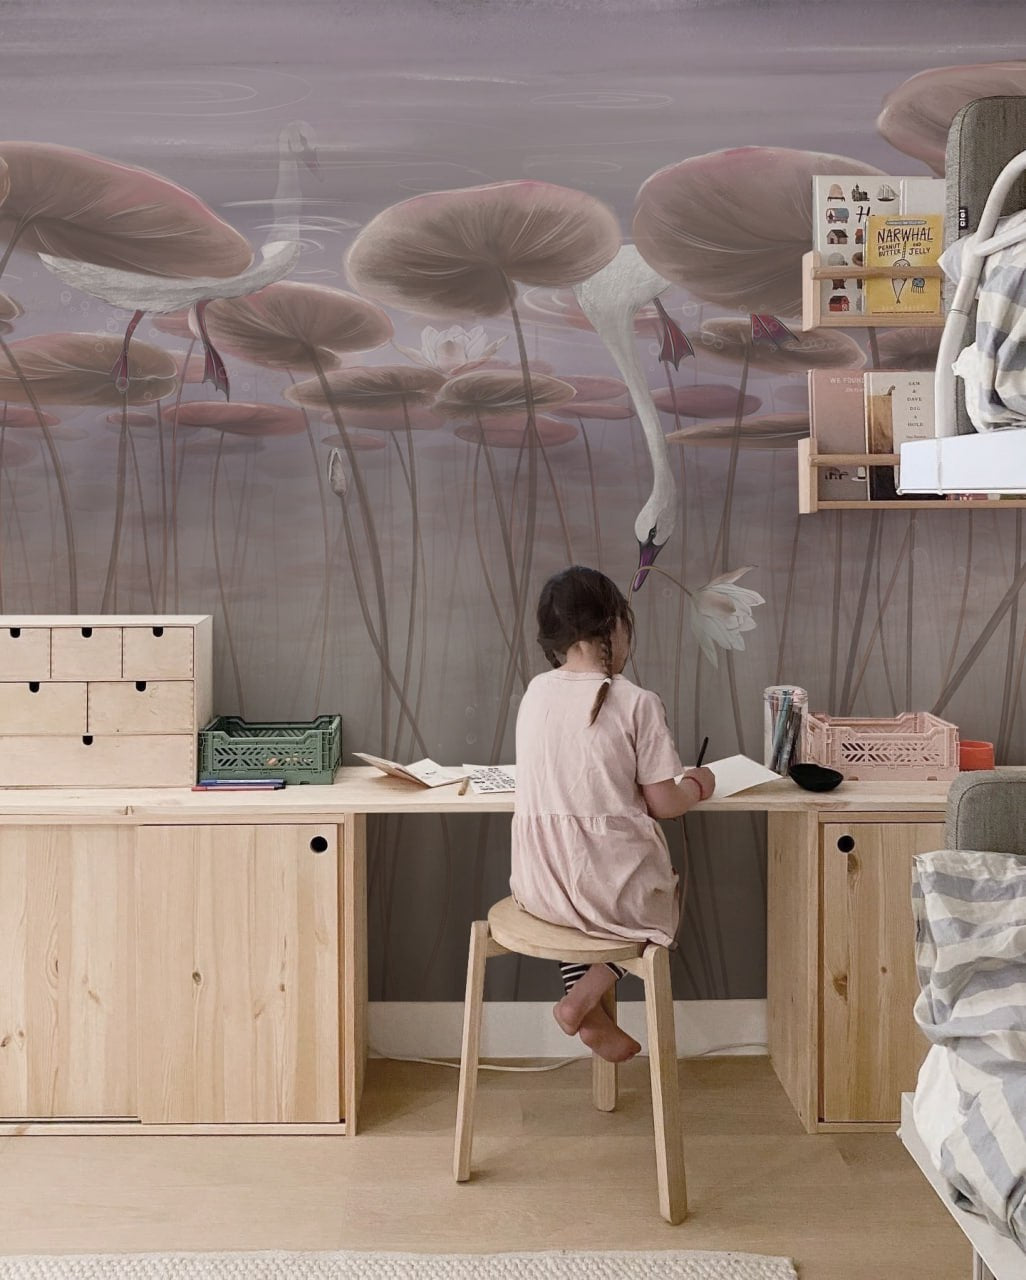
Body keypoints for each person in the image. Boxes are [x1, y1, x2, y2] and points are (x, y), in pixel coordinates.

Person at [510, 565, 714, 1064]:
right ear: (614, 626)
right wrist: (698, 784)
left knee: (582, 902)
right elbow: (665, 805)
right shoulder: (637, 702)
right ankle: (581, 998)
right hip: (600, 887)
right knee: (661, 905)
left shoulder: (536, 692)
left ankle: (590, 1013)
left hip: (537, 884)